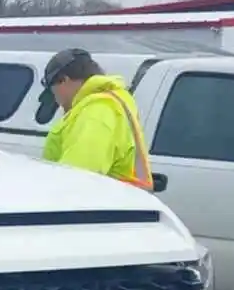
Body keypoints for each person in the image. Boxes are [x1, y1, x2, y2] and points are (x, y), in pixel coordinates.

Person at [39, 47, 154, 189]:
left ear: (64, 80)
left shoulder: (97, 112)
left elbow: (75, 180)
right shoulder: (111, 102)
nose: (57, 100)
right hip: (116, 204)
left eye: (53, 91)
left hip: (99, 206)